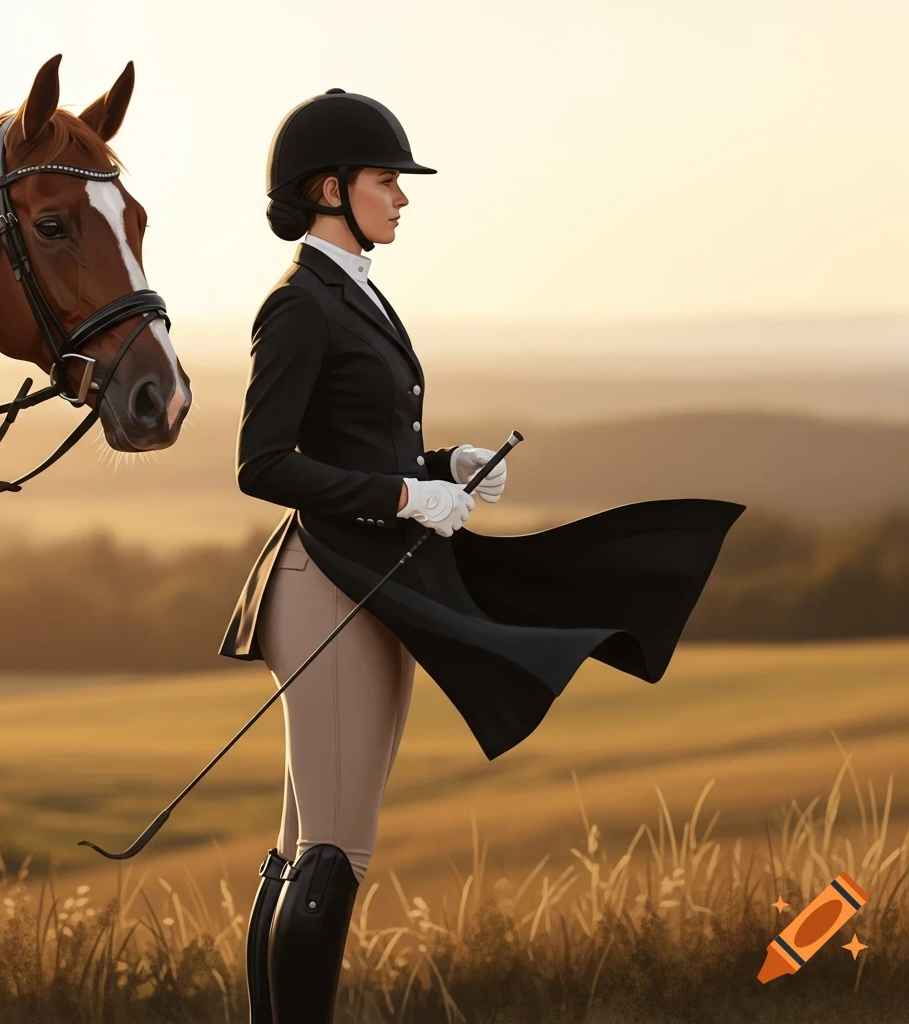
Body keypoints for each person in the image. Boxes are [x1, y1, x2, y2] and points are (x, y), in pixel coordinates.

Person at [219, 88, 744, 1024]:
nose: (403, 199)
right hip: (330, 585)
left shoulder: (354, 294)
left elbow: (354, 442)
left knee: (311, 846)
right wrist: (404, 496)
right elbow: (264, 463)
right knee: (331, 851)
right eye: (388, 182)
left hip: (369, 583)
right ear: (330, 188)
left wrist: (439, 466)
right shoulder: (300, 304)